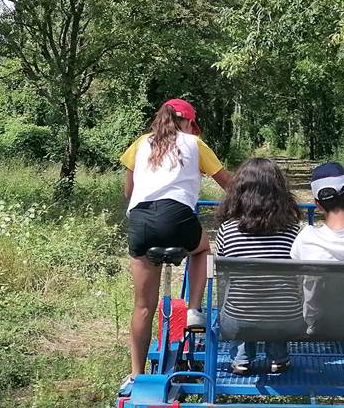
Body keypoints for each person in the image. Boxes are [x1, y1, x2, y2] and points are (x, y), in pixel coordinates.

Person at [121, 98, 231, 380]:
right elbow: (228, 183)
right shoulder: (194, 143)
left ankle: (135, 374)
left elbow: (128, 191)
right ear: (189, 123)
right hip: (177, 218)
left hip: (141, 221)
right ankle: (194, 308)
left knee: (143, 305)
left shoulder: (141, 143)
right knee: (203, 248)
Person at [213, 157, 302, 375]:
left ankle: (241, 359)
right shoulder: (292, 231)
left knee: (241, 299)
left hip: (237, 320)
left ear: (239, 192)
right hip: (287, 319)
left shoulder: (227, 230)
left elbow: (223, 275)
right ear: (279, 192)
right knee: (278, 302)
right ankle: (278, 358)